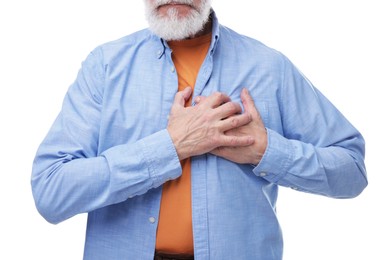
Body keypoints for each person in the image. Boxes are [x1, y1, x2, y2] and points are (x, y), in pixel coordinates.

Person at [31, 0, 368, 259]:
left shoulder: (268, 66)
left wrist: (267, 152)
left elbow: (351, 169)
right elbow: (52, 192)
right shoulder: (105, 66)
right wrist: (171, 146)